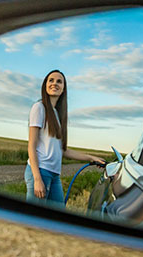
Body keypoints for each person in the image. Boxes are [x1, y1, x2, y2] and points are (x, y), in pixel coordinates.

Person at [25, 70, 105, 204]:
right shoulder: (39, 107)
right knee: (33, 218)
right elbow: (31, 146)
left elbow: (63, 150)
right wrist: (37, 178)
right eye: (51, 80)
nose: (54, 83)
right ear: (45, 85)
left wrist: (91, 158)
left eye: (59, 81)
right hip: (40, 171)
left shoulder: (57, 114)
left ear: (63, 89)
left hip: (54, 175)